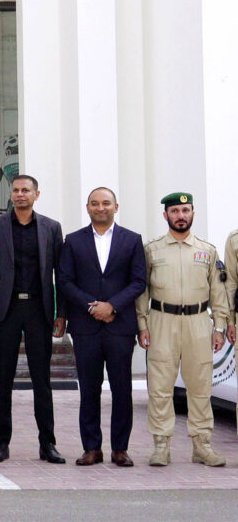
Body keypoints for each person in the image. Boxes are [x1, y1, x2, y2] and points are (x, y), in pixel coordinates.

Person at [0, 174, 66, 464]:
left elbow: (60, 275)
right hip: (7, 311)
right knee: (3, 379)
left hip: (40, 311)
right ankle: (1, 443)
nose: (20, 195)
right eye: (15, 190)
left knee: (43, 381)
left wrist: (60, 313)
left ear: (36, 195)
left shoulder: (52, 228)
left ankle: (48, 444)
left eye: (25, 190)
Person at [136, 192, 228, 467]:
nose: (180, 216)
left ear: (193, 214)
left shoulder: (207, 250)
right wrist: (142, 324)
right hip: (161, 320)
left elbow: (218, 292)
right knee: (161, 388)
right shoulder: (152, 249)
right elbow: (142, 291)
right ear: (165, 215)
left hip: (199, 322)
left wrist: (220, 326)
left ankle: (202, 446)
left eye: (185, 210)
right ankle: (161, 445)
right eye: (175, 211)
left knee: (200, 388)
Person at [56, 187, 146, 467]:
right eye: (95, 203)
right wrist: (93, 306)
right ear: (87, 207)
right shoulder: (73, 241)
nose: (100, 207)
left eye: (106, 203)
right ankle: (91, 448)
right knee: (89, 390)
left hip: (120, 327)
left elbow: (138, 281)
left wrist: (113, 306)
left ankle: (120, 449)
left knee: (122, 390)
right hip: (86, 327)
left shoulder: (132, 240)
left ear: (116, 207)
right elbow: (65, 281)